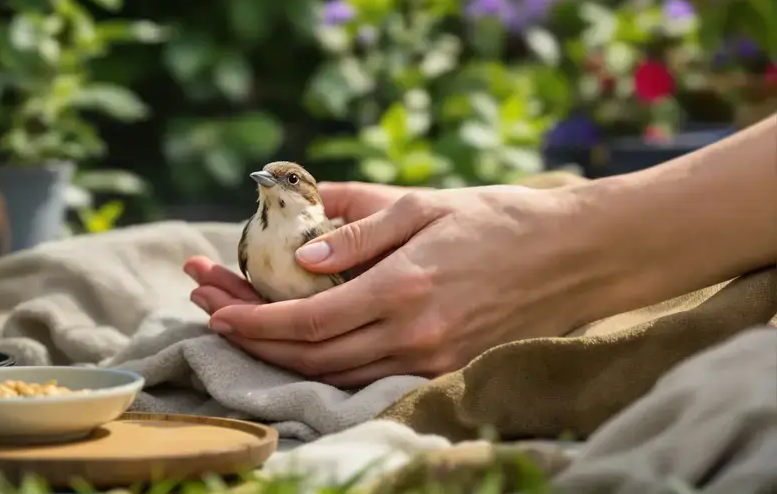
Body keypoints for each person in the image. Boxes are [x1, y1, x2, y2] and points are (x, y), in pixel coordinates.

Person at [184, 115, 777, 389]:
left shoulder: (318, 241)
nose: (273, 185)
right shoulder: (250, 240)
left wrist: (565, 246)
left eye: (289, 180)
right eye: (271, 179)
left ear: (308, 195)